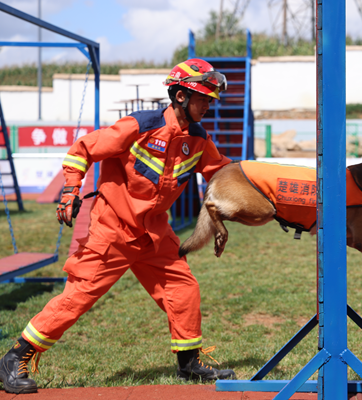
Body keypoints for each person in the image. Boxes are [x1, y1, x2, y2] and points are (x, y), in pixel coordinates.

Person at [0, 59, 236, 395]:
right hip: (113, 231)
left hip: (155, 234)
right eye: (204, 99)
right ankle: (14, 358)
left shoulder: (198, 139)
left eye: (211, 100)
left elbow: (223, 174)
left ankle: (189, 364)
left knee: (183, 288)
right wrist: (70, 190)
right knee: (77, 298)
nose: (209, 105)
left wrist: (261, 188)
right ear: (181, 96)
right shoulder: (140, 126)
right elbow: (83, 149)